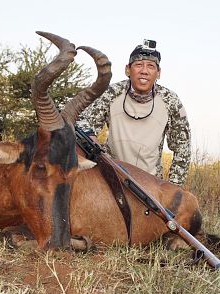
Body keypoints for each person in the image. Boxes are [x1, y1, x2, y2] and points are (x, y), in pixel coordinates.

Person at [79, 39, 191, 186]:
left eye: (151, 66)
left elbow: (183, 146)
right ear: (127, 69)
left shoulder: (170, 100)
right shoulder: (111, 93)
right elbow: (82, 121)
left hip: (150, 185)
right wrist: (93, 143)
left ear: (158, 73)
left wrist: (173, 187)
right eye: (138, 65)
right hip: (111, 178)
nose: (144, 71)